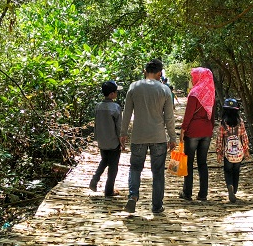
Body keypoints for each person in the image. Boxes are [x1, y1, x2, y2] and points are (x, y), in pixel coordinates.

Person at [121, 59, 177, 214]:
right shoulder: (165, 90)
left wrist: (123, 133)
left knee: (135, 168)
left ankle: (133, 196)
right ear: (160, 73)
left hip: (138, 136)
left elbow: (127, 113)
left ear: (145, 71)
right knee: (158, 172)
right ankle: (157, 206)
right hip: (158, 137)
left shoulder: (134, 87)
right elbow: (169, 117)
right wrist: (173, 137)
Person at [179, 67, 215, 201]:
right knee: (202, 163)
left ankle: (187, 193)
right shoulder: (211, 93)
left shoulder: (194, 93)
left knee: (189, 162)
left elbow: (188, 115)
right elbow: (212, 116)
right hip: (206, 131)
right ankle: (203, 194)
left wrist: (183, 130)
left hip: (193, 131)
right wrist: (210, 128)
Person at [90, 81, 124, 197]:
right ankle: (109, 190)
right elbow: (119, 126)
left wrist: (96, 138)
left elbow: (96, 124)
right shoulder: (115, 107)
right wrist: (122, 140)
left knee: (104, 160)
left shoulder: (98, 106)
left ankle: (95, 179)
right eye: (115, 92)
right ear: (111, 94)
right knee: (113, 167)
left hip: (102, 141)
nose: (116, 94)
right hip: (113, 141)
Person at [215, 98, 251, 203]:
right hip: (238, 154)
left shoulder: (223, 123)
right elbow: (244, 137)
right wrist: (246, 150)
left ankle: (229, 185)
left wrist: (219, 152)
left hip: (228, 154)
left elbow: (220, 139)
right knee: (236, 171)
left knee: (227, 171)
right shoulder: (240, 122)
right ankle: (234, 190)